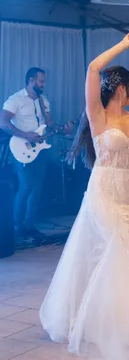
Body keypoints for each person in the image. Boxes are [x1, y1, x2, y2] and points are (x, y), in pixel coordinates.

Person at [39, 35, 129, 359]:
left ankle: (119, 321)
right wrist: (124, 44)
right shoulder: (98, 115)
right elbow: (93, 69)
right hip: (103, 192)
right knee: (123, 250)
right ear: (123, 90)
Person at [0, 67, 72, 242]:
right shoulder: (15, 100)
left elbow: (50, 123)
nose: (44, 84)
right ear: (31, 81)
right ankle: (16, 228)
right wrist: (25, 135)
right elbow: (3, 122)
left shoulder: (43, 101)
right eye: (41, 81)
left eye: (44, 81)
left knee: (37, 188)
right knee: (25, 187)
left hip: (40, 149)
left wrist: (63, 130)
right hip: (21, 147)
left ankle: (29, 225)